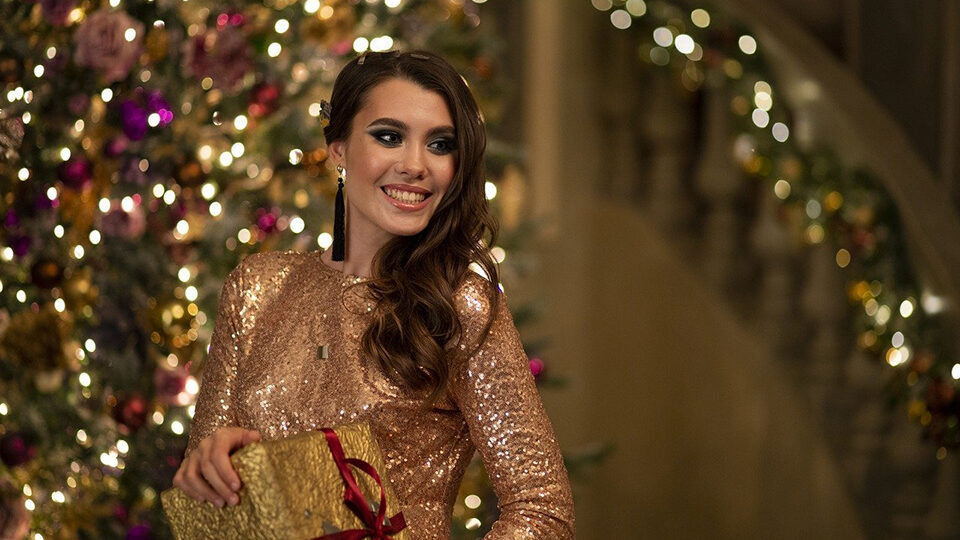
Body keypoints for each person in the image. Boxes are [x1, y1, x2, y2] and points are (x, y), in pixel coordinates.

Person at [172, 49, 575, 539]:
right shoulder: (256, 288)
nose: (415, 165)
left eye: (440, 144)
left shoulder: (458, 304)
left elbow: (542, 508)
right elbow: (205, 498)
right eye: (389, 136)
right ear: (338, 148)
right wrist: (208, 468)